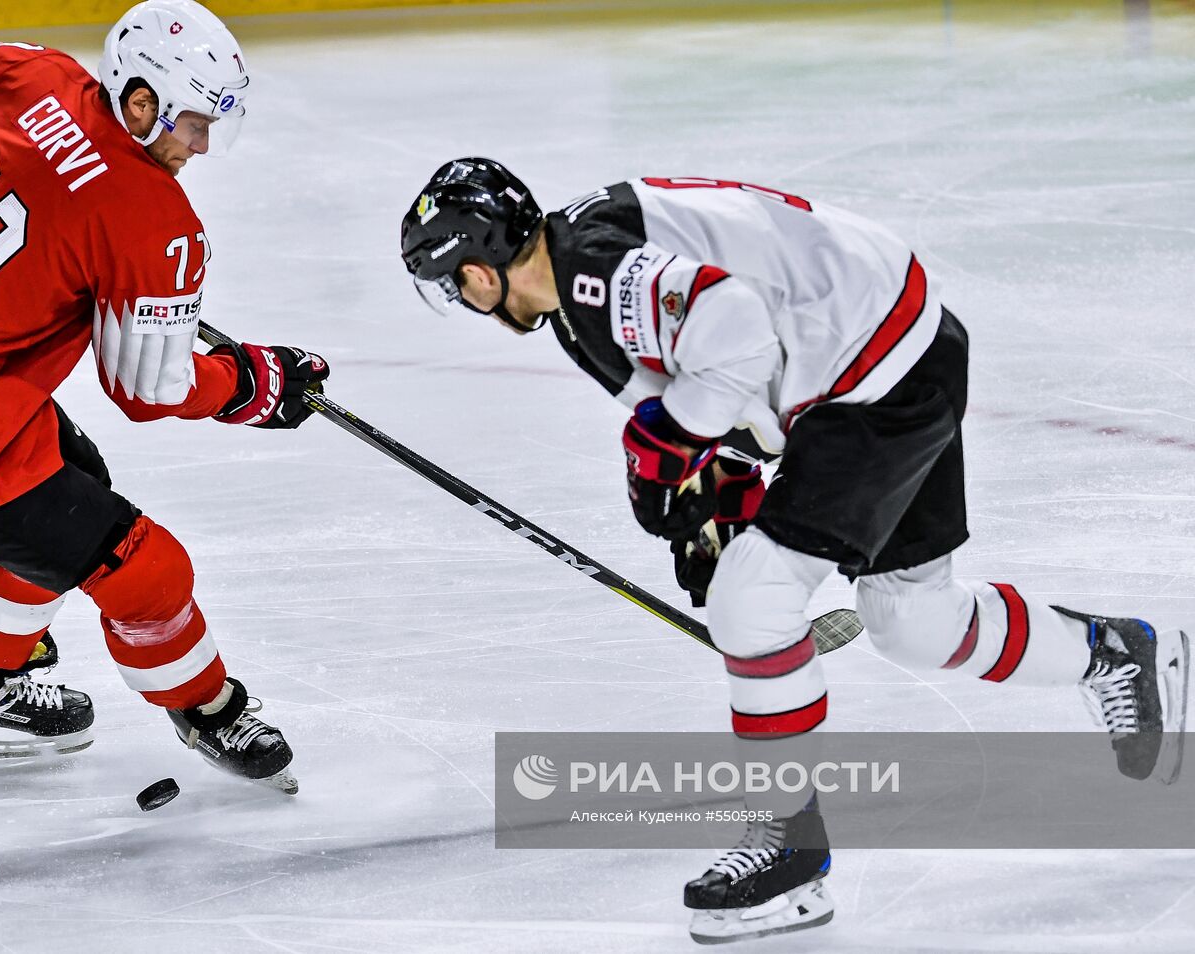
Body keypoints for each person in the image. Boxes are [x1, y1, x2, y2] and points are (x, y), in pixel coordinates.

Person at [399, 158, 1190, 941]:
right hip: (892, 347)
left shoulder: (590, 278)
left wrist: (670, 443)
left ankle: (791, 854)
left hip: (871, 378)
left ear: (475, 272)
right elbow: (723, 364)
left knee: (752, 601)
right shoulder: (581, 265)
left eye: (452, 284)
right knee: (914, 621)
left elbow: (732, 325)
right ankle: (1115, 653)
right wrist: (723, 480)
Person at [0, 0, 329, 792]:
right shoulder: (154, 221)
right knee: (145, 568)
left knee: (71, 481)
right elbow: (147, 388)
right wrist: (253, 384)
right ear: (140, 101)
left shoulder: (33, 73)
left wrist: (25, 171)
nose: (199, 145)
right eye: (192, 124)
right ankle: (209, 708)